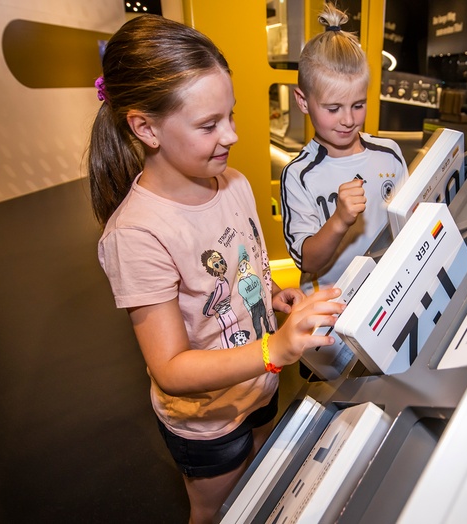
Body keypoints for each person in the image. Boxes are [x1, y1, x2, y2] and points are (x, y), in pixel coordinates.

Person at [87, 15, 344, 524]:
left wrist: (272, 295)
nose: (232, 134)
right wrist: (277, 348)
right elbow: (171, 369)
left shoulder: (236, 184)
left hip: (260, 386)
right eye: (209, 125)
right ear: (145, 127)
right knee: (216, 508)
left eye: (230, 115)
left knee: (266, 482)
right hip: (206, 422)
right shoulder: (136, 235)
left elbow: (242, 267)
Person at [280, 3, 409, 294]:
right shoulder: (298, 175)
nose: (348, 119)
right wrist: (339, 219)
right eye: (333, 108)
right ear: (302, 101)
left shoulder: (388, 153)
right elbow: (308, 261)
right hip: (330, 304)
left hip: (387, 292)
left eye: (358, 105)